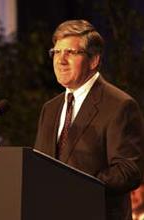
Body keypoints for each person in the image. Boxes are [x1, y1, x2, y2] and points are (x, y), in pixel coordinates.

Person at [34, 19, 144, 220]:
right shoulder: (50, 109)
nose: (60, 60)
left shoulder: (119, 105)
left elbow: (128, 171)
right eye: (57, 52)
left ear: (93, 60)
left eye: (70, 52)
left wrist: (76, 184)